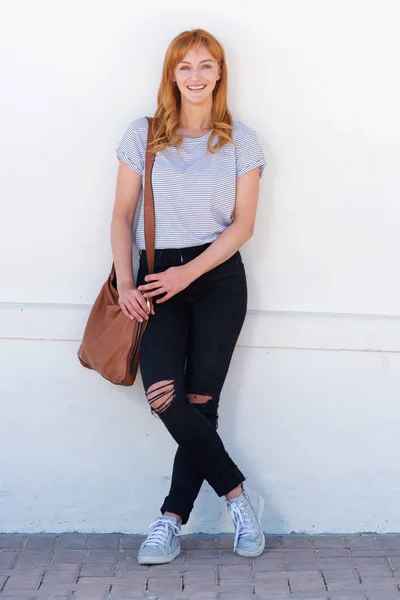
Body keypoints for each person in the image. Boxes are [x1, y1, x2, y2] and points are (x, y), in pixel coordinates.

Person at [111, 28, 267, 565]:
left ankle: (169, 521)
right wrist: (127, 282)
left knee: (202, 404)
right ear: (171, 75)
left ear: (220, 73)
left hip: (219, 279)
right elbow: (121, 215)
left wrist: (189, 273)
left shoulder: (242, 141)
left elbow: (243, 225)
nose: (196, 77)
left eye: (206, 66)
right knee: (162, 394)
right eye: (185, 68)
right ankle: (239, 497)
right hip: (156, 282)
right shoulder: (144, 134)